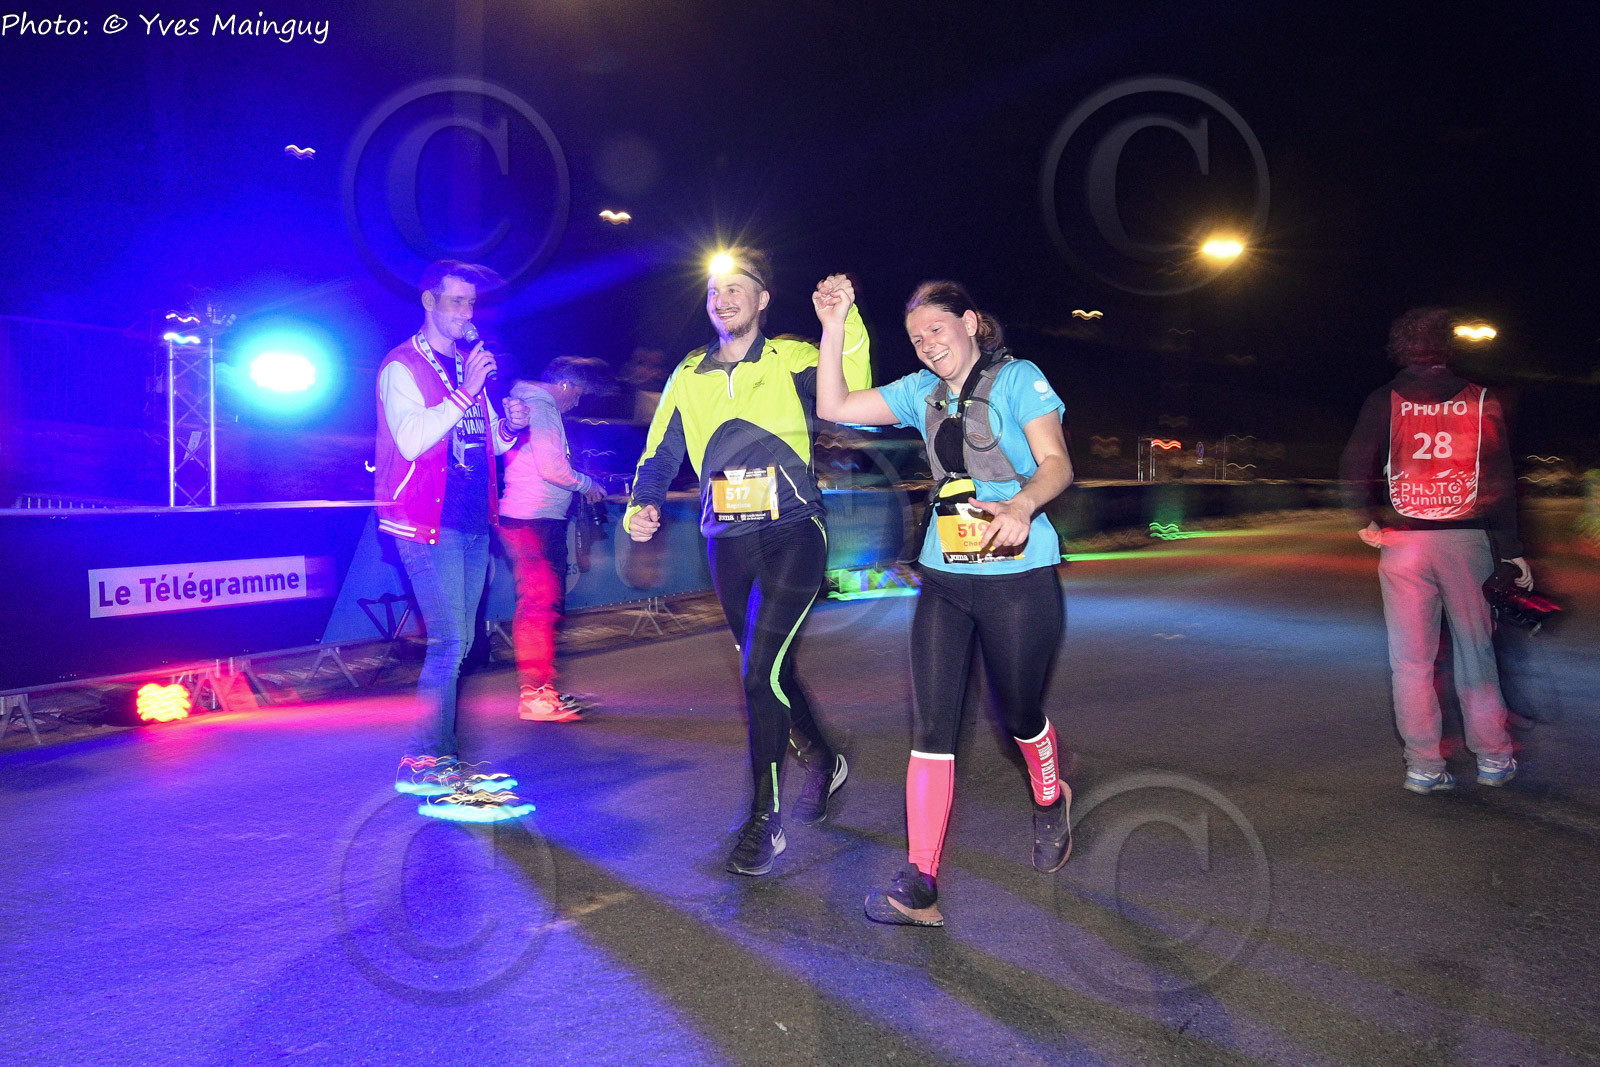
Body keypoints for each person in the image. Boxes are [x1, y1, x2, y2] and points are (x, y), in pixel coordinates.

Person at [813, 279, 1074, 927]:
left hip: (1020, 577)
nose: (928, 344)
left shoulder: (1019, 379)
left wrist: (1021, 505)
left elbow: (1057, 463)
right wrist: (835, 324)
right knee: (933, 727)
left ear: (970, 322)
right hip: (945, 578)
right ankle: (921, 881)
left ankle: (1050, 795)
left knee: (1019, 712)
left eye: (937, 329)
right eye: (916, 338)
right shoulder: (919, 392)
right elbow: (833, 403)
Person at [624, 249, 871, 875]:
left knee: (760, 672)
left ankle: (765, 819)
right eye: (715, 290)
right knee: (768, 670)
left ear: (762, 299)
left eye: (737, 288)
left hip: (794, 531)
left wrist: (843, 322)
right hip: (726, 542)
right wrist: (643, 504)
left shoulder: (791, 357)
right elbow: (660, 451)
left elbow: (849, 395)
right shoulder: (689, 373)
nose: (724, 298)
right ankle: (825, 755)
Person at [1339, 307, 1534, 795]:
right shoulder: (1480, 399)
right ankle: (1493, 757)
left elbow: (1353, 465)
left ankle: (1423, 765)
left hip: (1404, 542)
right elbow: (1499, 478)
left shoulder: (1384, 399)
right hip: (1465, 541)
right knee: (1475, 651)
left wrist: (1363, 518)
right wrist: (1511, 551)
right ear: (1448, 345)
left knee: (1410, 660)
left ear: (1400, 347)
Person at [377, 259, 534, 821]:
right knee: (448, 641)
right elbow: (413, 440)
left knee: (462, 643)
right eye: (455, 301)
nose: (466, 312)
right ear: (429, 301)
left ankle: (440, 757)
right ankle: (423, 760)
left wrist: (509, 424)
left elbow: (489, 442)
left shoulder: (467, 368)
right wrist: (467, 391)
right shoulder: (401, 366)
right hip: (425, 522)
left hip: (470, 522)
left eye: (471, 302)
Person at [500, 356, 612, 722]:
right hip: (533, 520)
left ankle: (543, 689)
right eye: (577, 394)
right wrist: (587, 484)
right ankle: (534, 696)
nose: (576, 403)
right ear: (565, 385)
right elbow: (552, 469)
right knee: (538, 605)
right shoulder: (542, 406)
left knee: (542, 605)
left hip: (531, 519)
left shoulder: (531, 402)